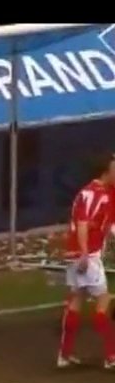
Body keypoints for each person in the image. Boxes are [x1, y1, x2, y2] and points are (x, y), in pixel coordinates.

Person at [58, 153, 115, 370]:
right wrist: (84, 253)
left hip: (76, 254)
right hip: (87, 256)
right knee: (103, 301)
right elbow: (82, 223)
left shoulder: (99, 192)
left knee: (76, 299)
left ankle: (64, 356)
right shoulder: (93, 194)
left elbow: (106, 225)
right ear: (106, 171)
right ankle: (111, 357)